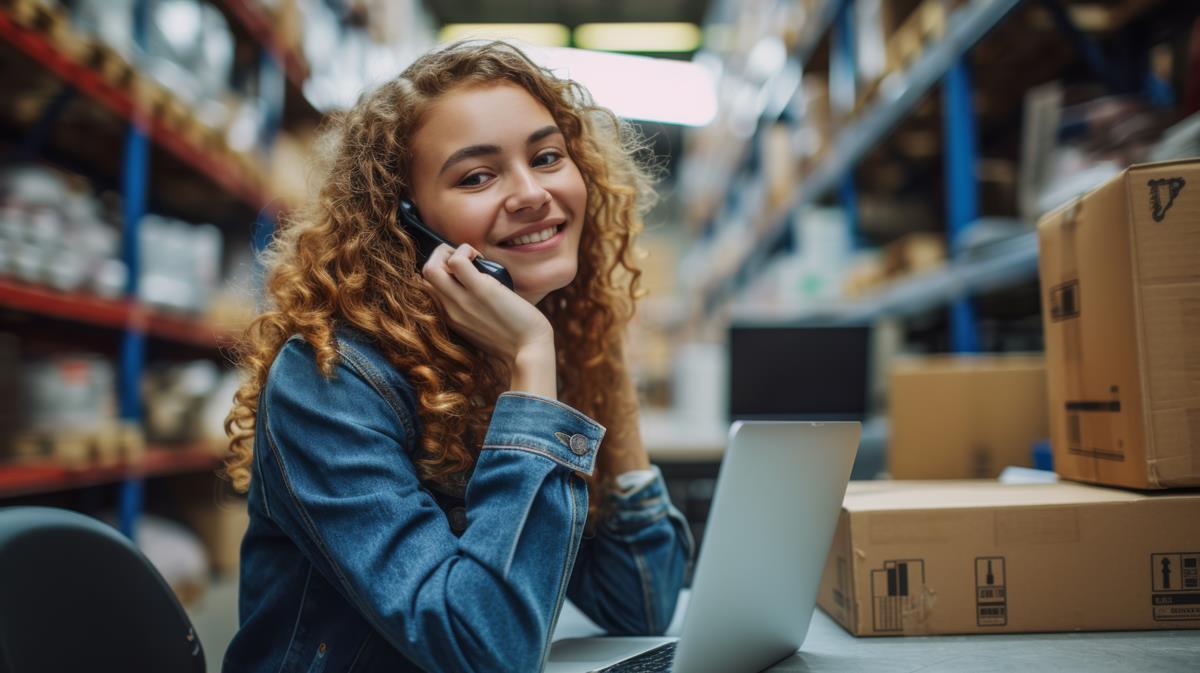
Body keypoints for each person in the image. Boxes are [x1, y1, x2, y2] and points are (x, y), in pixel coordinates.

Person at [220, 40, 693, 673]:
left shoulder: (532, 338)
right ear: (405, 222)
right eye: (477, 176)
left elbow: (641, 603)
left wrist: (599, 359)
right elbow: (483, 649)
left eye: (547, 156)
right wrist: (532, 366)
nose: (531, 193)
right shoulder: (329, 378)